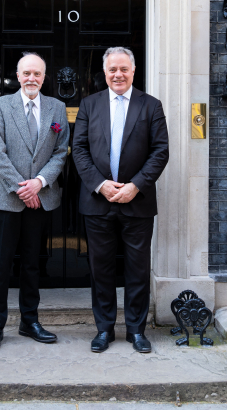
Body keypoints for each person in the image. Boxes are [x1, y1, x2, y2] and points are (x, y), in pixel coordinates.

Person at [73, 47, 169, 354]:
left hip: (137, 203)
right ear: (104, 72)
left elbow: (160, 151)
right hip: (98, 202)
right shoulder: (89, 104)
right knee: (100, 269)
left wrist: (136, 186)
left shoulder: (151, 105)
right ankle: (104, 329)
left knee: (137, 270)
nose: (118, 74)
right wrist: (100, 185)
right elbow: (79, 150)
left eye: (123, 69)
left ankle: (136, 330)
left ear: (133, 70)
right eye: (112, 69)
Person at [0, 52, 70, 352]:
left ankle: (29, 321)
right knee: (0, 264)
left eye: (38, 74)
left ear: (44, 77)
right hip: (7, 199)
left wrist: (39, 183)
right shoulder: (0, 106)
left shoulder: (58, 108)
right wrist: (22, 187)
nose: (32, 78)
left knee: (33, 265)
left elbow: (61, 152)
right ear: (18, 76)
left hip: (41, 199)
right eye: (27, 73)